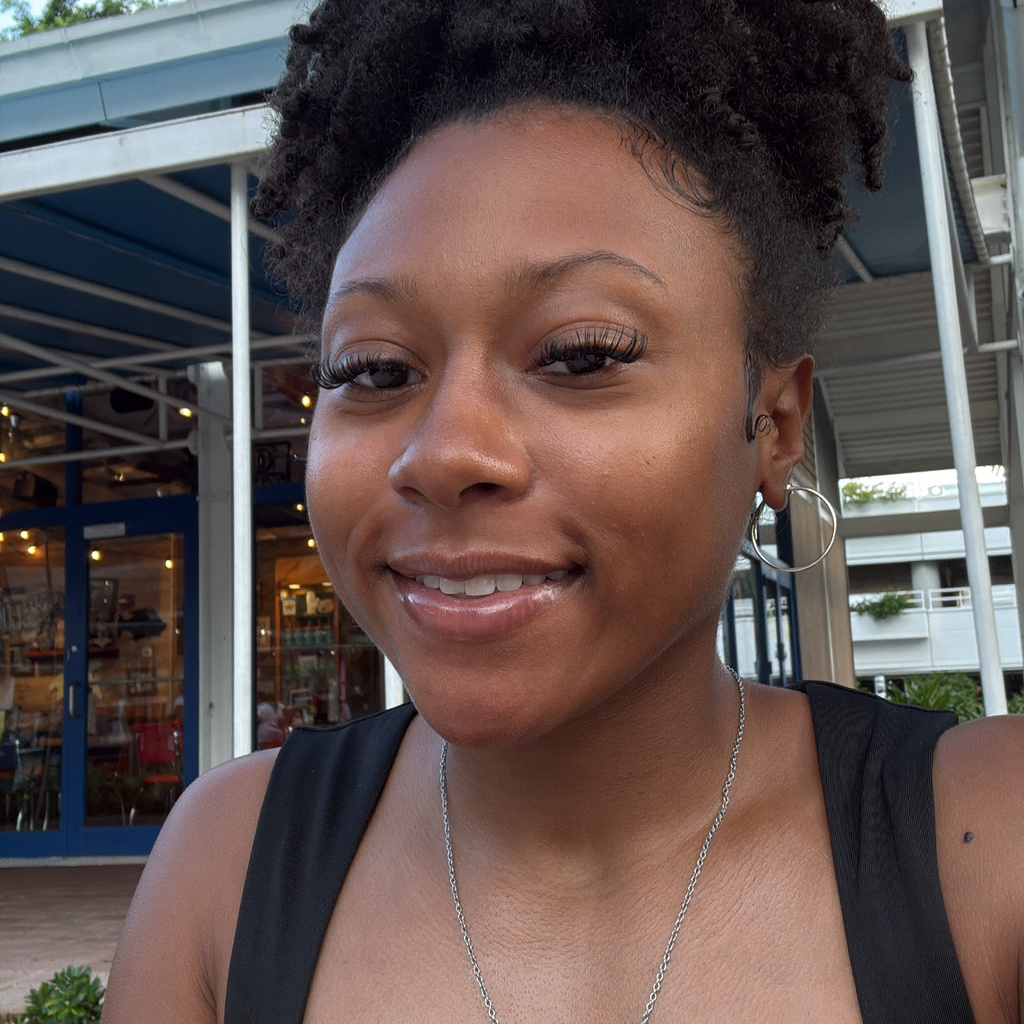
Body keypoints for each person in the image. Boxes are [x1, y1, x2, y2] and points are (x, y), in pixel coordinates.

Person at [103, 2, 1024, 1022]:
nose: (441, 454)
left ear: (772, 425)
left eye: (581, 354)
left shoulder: (988, 846)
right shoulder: (224, 873)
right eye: (375, 369)